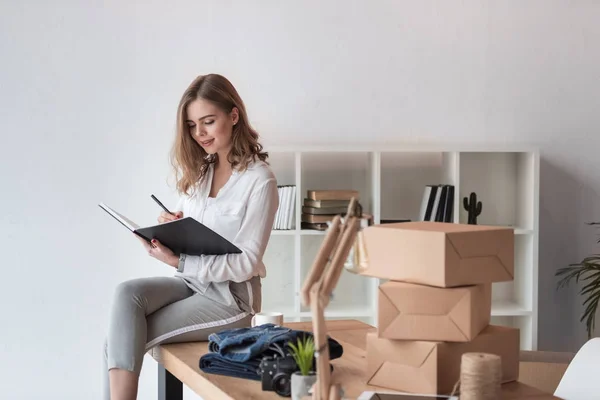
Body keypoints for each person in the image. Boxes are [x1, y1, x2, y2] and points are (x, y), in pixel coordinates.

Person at [102, 74, 279, 400]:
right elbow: (196, 229)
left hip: (231, 299)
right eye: (192, 125)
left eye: (208, 122)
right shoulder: (202, 173)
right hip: (192, 284)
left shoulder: (260, 180)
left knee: (121, 338)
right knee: (127, 294)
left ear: (234, 115)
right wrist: (173, 226)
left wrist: (179, 260)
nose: (200, 133)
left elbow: (246, 264)